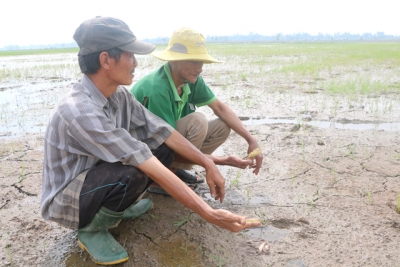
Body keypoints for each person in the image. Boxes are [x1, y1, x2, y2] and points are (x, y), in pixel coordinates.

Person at [40, 17, 260, 266]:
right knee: (132, 173)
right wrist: (209, 213)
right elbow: (143, 158)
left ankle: (117, 209)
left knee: (162, 149)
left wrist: (208, 163)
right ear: (105, 60)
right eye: (130, 55)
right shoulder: (80, 110)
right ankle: (92, 229)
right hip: (69, 197)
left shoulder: (119, 95)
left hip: (97, 174)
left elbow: (163, 131)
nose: (135, 63)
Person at [130, 28, 263, 188]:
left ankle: (176, 169)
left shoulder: (190, 80)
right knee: (197, 120)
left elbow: (219, 108)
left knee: (222, 126)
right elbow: (167, 144)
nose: (199, 68)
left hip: (167, 140)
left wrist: (251, 140)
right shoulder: (157, 89)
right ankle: (160, 181)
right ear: (174, 60)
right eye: (193, 61)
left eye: (201, 62)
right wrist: (222, 161)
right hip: (146, 149)